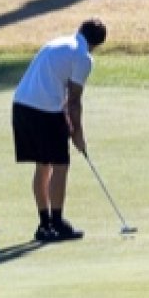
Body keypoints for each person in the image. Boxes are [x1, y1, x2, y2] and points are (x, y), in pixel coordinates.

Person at [11, 18, 107, 241]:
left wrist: (71, 128)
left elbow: (61, 94)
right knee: (60, 166)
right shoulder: (83, 57)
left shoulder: (58, 43)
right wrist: (78, 135)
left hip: (21, 106)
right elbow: (74, 100)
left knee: (43, 165)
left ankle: (45, 224)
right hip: (44, 111)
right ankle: (57, 222)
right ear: (96, 44)